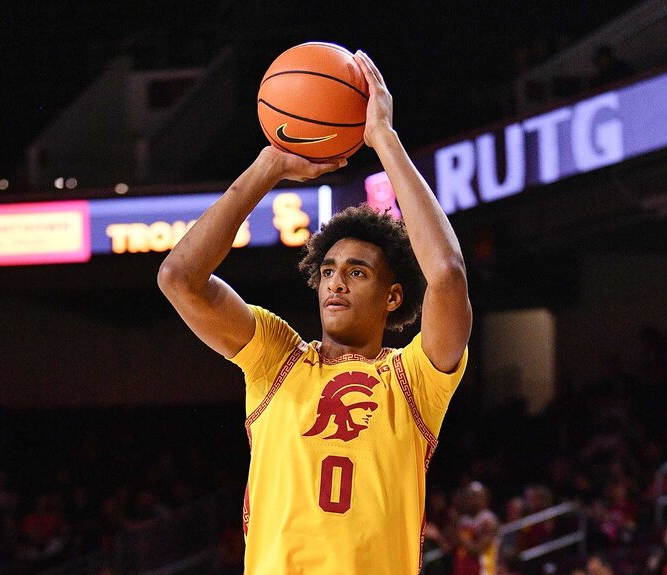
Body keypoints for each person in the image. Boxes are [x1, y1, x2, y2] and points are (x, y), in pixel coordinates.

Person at [158, 50, 471, 574]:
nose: (336, 283)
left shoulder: (414, 381)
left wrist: (384, 139)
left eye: (357, 272)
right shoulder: (276, 360)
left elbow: (447, 273)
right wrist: (268, 166)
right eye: (327, 271)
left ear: (393, 297)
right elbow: (179, 278)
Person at [451, 482, 500, 575]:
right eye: (468, 496)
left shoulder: (488, 520)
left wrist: (458, 534)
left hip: (482, 571)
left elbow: (477, 550)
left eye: (474, 496)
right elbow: (452, 548)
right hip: (462, 570)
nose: (470, 499)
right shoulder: (462, 520)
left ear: (484, 498)